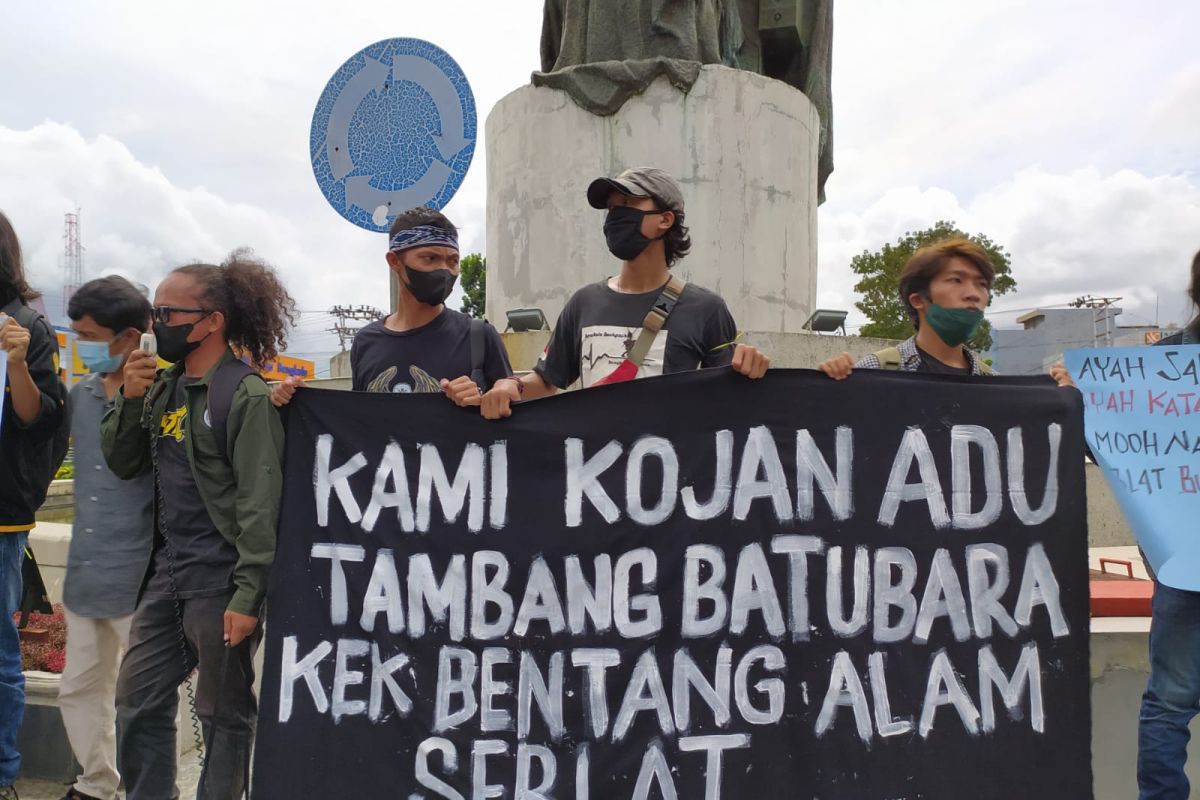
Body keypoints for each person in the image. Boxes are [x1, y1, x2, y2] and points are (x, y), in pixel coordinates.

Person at [101, 250, 292, 800]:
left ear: (212, 321)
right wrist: (129, 399)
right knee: (135, 700)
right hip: (167, 576)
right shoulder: (161, 388)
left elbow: (261, 501)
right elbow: (123, 461)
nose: (155, 326)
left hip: (222, 581)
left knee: (222, 715)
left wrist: (249, 593)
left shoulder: (245, 393)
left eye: (168, 314)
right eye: (154, 313)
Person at [1053, 248, 1200, 800]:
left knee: (1169, 701)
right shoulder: (1154, 366)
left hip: (1178, 562)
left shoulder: (1161, 360)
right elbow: (1110, 447)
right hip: (1185, 565)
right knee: (1171, 700)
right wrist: (1077, 401)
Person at [479, 166, 768, 420]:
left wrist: (752, 371)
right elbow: (546, 380)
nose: (615, 216)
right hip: (595, 472)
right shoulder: (584, 302)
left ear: (665, 220)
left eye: (628, 203)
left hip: (668, 474)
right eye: (612, 208)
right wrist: (510, 386)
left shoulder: (706, 309)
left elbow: (728, 399)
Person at [58, 276, 155, 800]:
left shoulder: (165, 395)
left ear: (131, 337)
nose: (81, 345)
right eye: (75, 335)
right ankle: (97, 784)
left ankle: (147, 788)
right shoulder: (82, 395)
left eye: (91, 335)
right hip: (86, 572)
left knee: (143, 699)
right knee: (79, 689)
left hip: (142, 576)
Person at [272, 207, 512, 408]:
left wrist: (487, 400)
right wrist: (306, 401)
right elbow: (354, 427)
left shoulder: (478, 337)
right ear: (394, 261)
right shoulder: (366, 343)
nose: (444, 271)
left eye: (453, 261)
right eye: (430, 258)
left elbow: (513, 417)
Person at [0, 211, 67, 800]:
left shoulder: (24, 326)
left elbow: (41, 420)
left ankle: (3, 772)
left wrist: (18, 363)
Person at [818, 237, 996, 379]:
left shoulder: (994, 386)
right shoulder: (876, 372)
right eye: (956, 280)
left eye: (981, 284)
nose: (974, 294)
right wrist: (828, 384)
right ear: (918, 300)